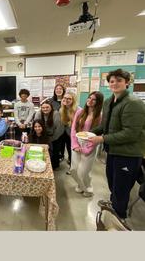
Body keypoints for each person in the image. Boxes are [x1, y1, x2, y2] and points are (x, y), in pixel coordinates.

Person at [89, 69, 145, 221]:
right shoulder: (109, 102)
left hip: (128, 154)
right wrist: (90, 133)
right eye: (112, 81)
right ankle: (114, 209)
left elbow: (131, 133)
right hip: (112, 151)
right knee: (113, 184)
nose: (115, 83)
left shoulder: (133, 103)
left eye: (119, 80)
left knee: (121, 190)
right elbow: (105, 126)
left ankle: (119, 220)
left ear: (127, 82)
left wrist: (102, 139)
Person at [70, 91, 104, 197]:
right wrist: (75, 145)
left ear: (98, 102)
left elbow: (98, 135)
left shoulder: (100, 116)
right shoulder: (80, 112)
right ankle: (81, 185)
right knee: (73, 169)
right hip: (77, 143)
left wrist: (88, 148)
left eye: (94, 99)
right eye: (89, 98)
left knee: (84, 171)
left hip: (90, 144)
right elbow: (73, 129)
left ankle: (87, 187)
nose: (90, 101)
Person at [34, 100, 64, 169]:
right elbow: (35, 125)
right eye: (43, 108)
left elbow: (59, 129)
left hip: (55, 136)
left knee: (54, 153)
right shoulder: (38, 113)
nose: (45, 109)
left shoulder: (55, 114)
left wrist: (51, 139)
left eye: (47, 107)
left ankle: (54, 166)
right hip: (43, 135)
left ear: (51, 107)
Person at [60, 92, 81, 174]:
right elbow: (63, 122)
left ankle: (73, 169)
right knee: (67, 148)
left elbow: (76, 124)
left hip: (74, 134)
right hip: (65, 132)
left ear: (73, 100)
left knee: (72, 151)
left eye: (69, 99)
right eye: (65, 98)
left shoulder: (78, 110)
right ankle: (71, 164)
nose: (66, 100)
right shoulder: (62, 109)